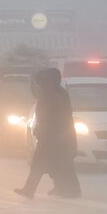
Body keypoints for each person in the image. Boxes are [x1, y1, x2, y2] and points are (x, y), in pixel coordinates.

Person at [15, 68, 81, 199]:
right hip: (56, 136)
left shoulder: (52, 94)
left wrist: (43, 131)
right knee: (60, 164)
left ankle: (30, 190)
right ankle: (65, 189)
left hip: (53, 137)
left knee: (42, 165)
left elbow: (53, 118)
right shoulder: (56, 92)